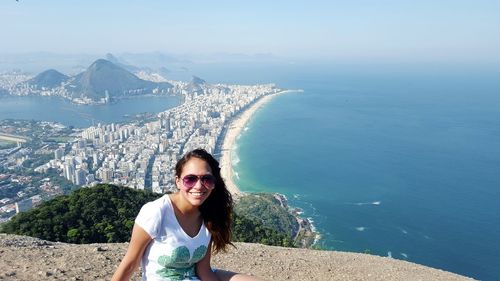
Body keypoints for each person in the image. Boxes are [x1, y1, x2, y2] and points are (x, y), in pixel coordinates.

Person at [112, 148, 263, 281]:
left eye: (206, 179)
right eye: (190, 179)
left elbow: (203, 270)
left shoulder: (209, 215)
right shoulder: (156, 212)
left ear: (214, 183)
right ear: (178, 181)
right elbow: (130, 264)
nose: (198, 186)